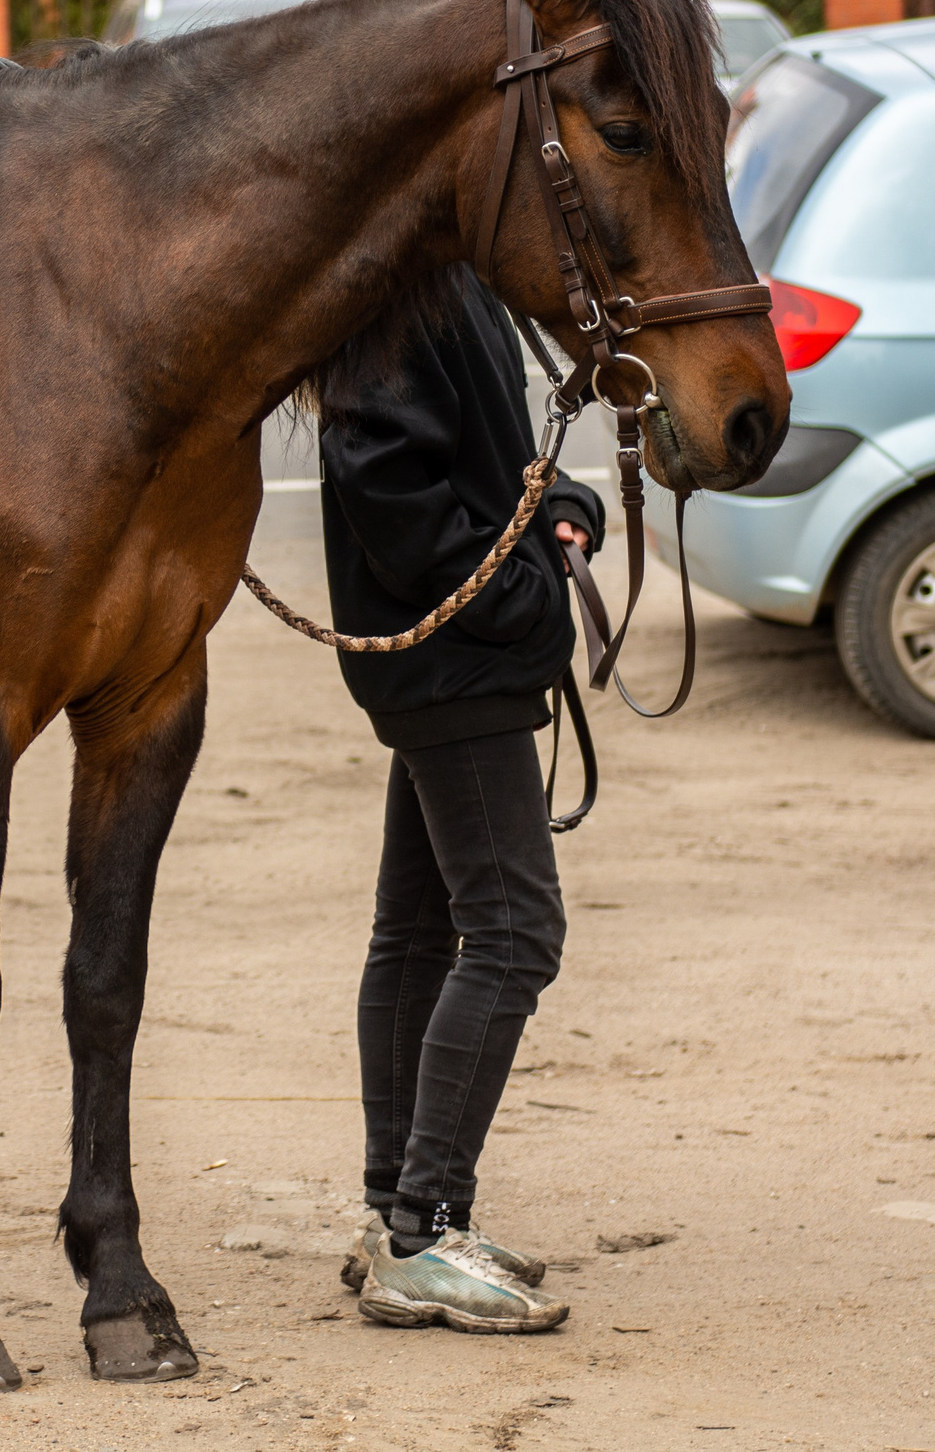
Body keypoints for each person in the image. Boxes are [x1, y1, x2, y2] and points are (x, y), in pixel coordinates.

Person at [318, 266, 605, 1334]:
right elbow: (384, 477)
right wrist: (520, 597)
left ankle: (395, 1212)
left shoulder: (450, 274)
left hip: (449, 657)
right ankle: (424, 1230)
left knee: (417, 928)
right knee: (516, 932)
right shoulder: (398, 287)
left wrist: (558, 506)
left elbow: (482, 462)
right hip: (456, 664)